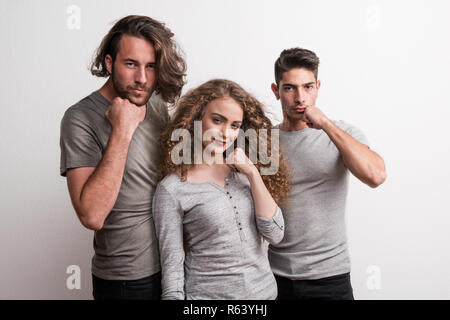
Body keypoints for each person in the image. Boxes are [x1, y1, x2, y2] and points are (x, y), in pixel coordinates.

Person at [59, 15, 186, 300]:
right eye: (131, 64)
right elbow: (91, 215)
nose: (142, 78)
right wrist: (122, 131)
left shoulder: (154, 102)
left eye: (151, 67)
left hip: (172, 266)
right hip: (126, 281)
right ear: (108, 63)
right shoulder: (80, 118)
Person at [152, 79, 290, 299]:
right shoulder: (173, 189)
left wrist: (253, 174)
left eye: (235, 125)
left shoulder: (245, 174)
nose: (226, 133)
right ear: (196, 118)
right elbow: (172, 266)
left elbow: (275, 233)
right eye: (218, 120)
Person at [268, 48, 387, 300]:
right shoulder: (262, 141)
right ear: (276, 90)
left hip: (329, 278)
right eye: (289, 88)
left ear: (318, 86)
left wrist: (325, 124)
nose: (300, 98)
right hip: (272, 277)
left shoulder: (341, 133)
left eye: (308, 87)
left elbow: (376, 175)